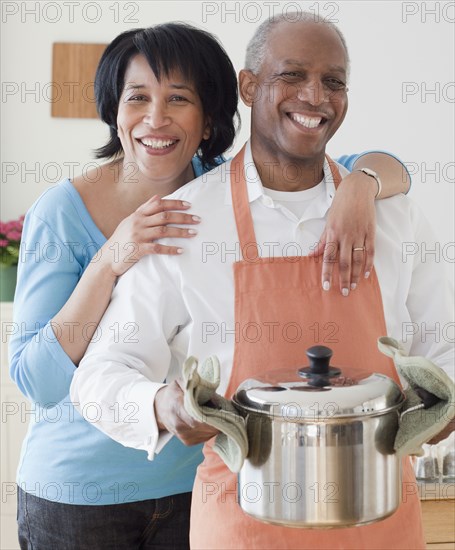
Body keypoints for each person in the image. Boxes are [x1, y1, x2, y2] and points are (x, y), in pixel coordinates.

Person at [12, 21, 411, 550]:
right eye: (137, 98)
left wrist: (363, 185)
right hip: (80, 491)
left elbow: (356, 162)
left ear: (207, 122)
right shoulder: (62, 213)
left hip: (194, 487)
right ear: (114, 109)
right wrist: (110, 260)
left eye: (179, 98)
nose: (157, 118)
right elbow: (36, 380)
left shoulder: (220, 195)